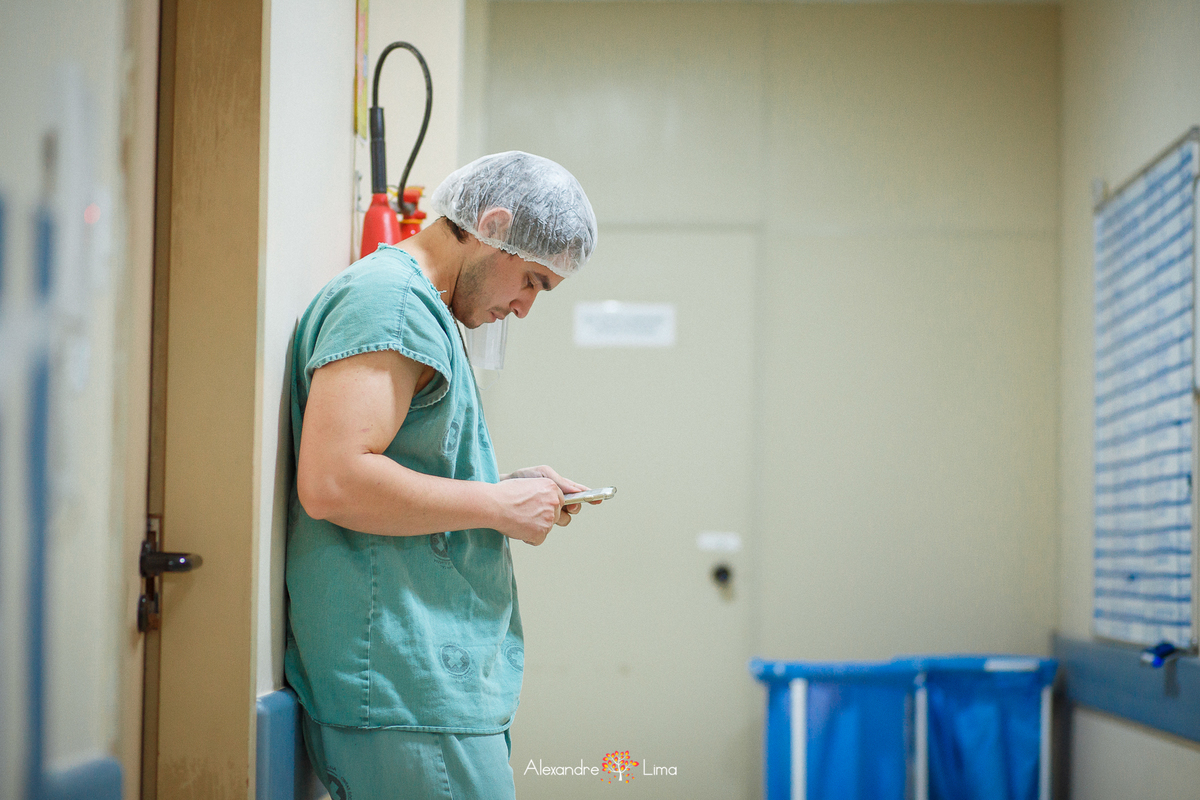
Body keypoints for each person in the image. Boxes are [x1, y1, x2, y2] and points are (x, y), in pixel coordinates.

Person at [284, 151, 599, 800]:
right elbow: (334, 481)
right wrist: (496, 506)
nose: (524, 308)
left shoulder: (421, 309)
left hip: (423, 687)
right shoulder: (390, 302)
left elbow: (406, 468)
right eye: (532, 281)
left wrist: (505, 489)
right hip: (404, 686)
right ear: (494, 225)